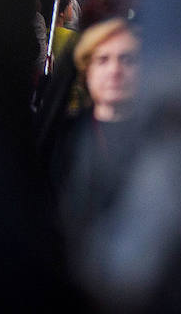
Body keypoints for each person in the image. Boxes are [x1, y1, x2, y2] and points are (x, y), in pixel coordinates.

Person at [53, 19, 140, 245]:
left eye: (127, 59)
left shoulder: (159, 139)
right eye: (102, 60)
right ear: (86, 72)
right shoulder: (60, 135)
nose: (115, 71)